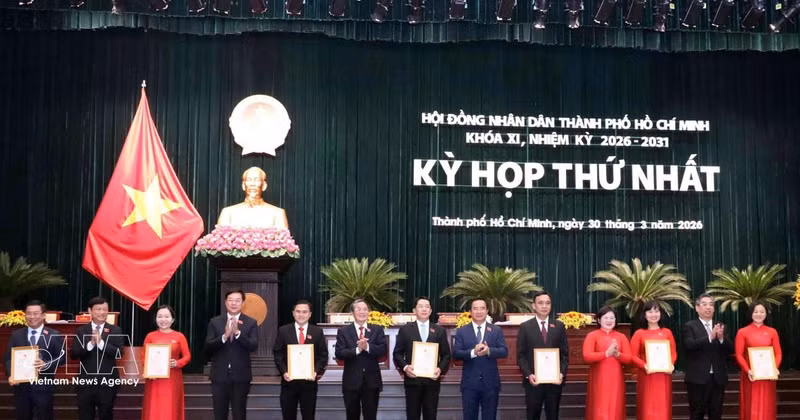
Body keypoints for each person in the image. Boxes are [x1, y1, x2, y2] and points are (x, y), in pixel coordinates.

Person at [392, 296, 452, 420]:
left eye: (427, 307)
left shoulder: (439, 330)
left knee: (430, 415)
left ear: (431, 311)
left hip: (432, 381)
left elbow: (446, 355)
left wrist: (440, 369)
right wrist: (406, 367)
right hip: (412, 381)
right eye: (420, 306)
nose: (424, 309)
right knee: (412, 415)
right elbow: (397, 354)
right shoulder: (405, 330)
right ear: (414, 310)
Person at [3, 300, 64, 420]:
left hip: (44, 387)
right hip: (21, 387)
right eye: (29, 313)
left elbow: (62, 358)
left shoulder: (54, 335)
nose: (32, 317)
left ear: (43, 315)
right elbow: (8, 358)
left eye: (35, 313)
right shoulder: (16, 335)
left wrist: (46, 364)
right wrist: (11, 374)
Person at [205, 289, 258, 420]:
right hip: (219, 375)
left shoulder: (251, 322)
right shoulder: (215, 322)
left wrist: (238, 334)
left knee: (239, 413)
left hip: (241, 376)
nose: (234, 303)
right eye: (231, 300)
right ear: (225, 302)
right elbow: (209, 346)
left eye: (237, 300)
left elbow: (253, 346)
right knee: (219, 413)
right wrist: (224, 336)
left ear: (243, 303)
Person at [516, 291, 569, 420]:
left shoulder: (559, 326)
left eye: (547, 303)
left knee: (553, 416)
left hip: (554, 382)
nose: (544, 306)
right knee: (533, 416)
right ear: (534, 305)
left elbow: (565, 354)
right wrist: (529, 374)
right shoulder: (525, 327)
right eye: (540, 303)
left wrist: (561, 373)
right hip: (533, 382)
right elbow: (521, 355)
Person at [273, 299, 329, 420]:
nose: (301, 314)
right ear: (293, 313)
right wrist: (284, 372)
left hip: (309, 383)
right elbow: (278, 354)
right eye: (298, 311)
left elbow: (323, 355)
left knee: (308, 416)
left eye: (304, 312)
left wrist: (315, 371)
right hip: (289, 382)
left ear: (310, 314)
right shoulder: (283, 331)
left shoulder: (317, 332)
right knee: (288, 416)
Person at [453, 299, 508, 420]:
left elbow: (504, 351)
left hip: (490, 383)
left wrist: (489, 351)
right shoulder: (462, 331)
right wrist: (473, 352)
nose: (479, 312)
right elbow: (456, 354)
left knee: (490, 416)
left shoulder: (496, 330)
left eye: (482, 308)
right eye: (475, 308)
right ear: (470, 311)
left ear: (487, 311)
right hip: (470, 384)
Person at [71, 296, 125, 420]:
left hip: (107, 383)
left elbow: (119, 353)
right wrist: (90, 344)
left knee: (106, 415)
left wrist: (101, 343)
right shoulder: (81, 331)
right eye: (98, 309)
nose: (102, 312)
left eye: (105, 309)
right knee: (85, 415)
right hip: (85, 383)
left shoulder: (115, 330)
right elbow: (74, 354)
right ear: (90, 311)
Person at [334, 299, 387, 420]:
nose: (362, 312)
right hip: (351, 381)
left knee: (371, 416)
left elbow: (383, 350)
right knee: (352, 416)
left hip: (371, 381)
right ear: (352, 312)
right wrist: (357, 349)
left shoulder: (377, 329)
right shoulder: (344, 331)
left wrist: (367, 347)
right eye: (358, 309)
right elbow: (339, 353)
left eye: (365, 309)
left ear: (368, 312)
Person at [683, 293, 733, 420]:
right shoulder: (690, 326)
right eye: (704, 304)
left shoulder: (721, 325)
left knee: (716, 413)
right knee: (696, 414)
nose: (708, 307)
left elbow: (730, 349)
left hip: (717, 378)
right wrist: (710, 337)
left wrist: (721, 338)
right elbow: (689, 345)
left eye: (711, 305)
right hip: (697, 378)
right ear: (697, 308)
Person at [141, 305, 191, 420]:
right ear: (155, 319)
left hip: (172, 377)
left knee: (170, 407)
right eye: (160, 316)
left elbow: (187, 356)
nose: (163, 319)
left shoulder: (179, 336)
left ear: (172, 319)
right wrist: (149, 370)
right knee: (154, 407)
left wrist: (177, 363)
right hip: (154, 378)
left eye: (167, 316)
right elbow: (144, 357)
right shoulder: (150, 336)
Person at [582, 306, 632, 420]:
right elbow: (587, 356)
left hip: (616, 378)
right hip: (599, 377)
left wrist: (617, 354)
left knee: (616, 404)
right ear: (599, 320)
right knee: (599, 405)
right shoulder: (592, 335)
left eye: (612, 318)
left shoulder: (621, 337)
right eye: (605, 318)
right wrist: (605, 354)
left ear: (615, 320)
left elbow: (629, 358)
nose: (609, 321)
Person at [734, 301, 782, 420]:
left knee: (767, 405)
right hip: (751, 375)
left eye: (762, 312)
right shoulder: (742, 332)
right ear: (751, 313)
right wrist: (748, 370)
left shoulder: (772, 332)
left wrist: (774, 368)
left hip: (768, 376)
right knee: (751, 404)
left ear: (766, 314)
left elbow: (778, 353)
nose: (759, 314)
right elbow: (739, 355)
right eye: (755, 312)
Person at [630, 301, 677, 420]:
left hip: (664, 375)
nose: (653, 314)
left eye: (656, 311)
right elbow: (633, 356)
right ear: (644, 315)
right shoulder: (639, 333)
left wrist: (671, 364)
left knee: (663, 405)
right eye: (650, 312)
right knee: (647, 405)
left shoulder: (667, 332)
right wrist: (644, 365)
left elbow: (673, 353)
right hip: (647, 374)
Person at [217, 167, 289, 229]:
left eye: (257, 180)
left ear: (264, 186)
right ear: (243, 185)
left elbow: (283, 239)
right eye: (249, 180)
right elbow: (220, 239)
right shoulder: (228, 213)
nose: (252, 184)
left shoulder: (277, 213)